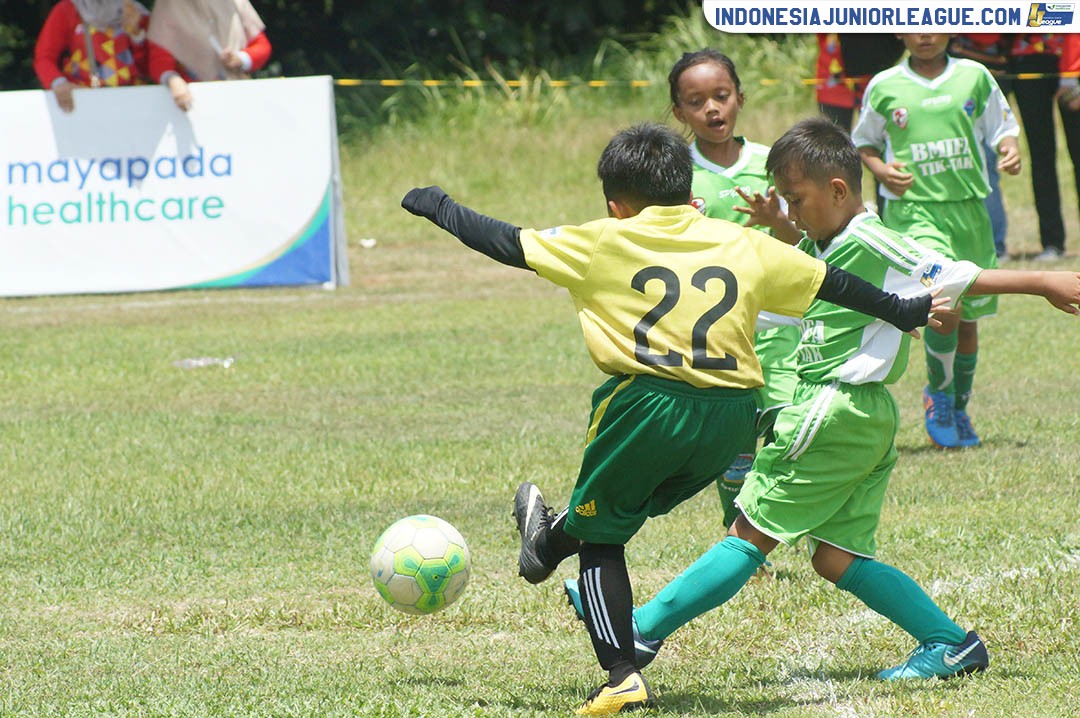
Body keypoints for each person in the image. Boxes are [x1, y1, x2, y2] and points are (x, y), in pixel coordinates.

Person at [400, 122, 937, 715]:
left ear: (617, 204)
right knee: (612, 505)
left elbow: (506, 240)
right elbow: (828, 281)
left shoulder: (607, 238)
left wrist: (439, 206)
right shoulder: (739, 241)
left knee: (603, 533)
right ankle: (545, 547)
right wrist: (901, 308)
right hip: (732, 419)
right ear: (689, 190)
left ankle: (621, 670)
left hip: (649, 407)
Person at [563, 118, 1080, 690]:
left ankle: (639, 630)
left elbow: (953, 275)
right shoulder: (821, 244)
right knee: (834, 557)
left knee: (749, 531)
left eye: (796, 199)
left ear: (837, 190)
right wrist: (773, 232)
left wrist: (1043, 281)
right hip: (864, 416)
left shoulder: (872, 239)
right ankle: (951, 645)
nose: (793, 210)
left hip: (832, 407)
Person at [852, 33, 1021, 449]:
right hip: (915, 212)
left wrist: (1009, 149)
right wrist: (881, 169)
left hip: (968, 210)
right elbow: (864, 143)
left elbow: (1003, 126)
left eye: (934, 19)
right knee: (948, 303)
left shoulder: (975, 76)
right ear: (898, 30)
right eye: (914, 21)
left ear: (950, 24)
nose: (924, 34)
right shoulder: (885, 84)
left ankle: (958, 406)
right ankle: (939, 396)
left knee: (968, 322)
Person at [669, 48, 802, 527]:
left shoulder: (774, 164)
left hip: (778, 326)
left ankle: (793, 525)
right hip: (717, 334)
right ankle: (742, 541)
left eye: (721, 96)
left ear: (740, 98)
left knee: (791, 428)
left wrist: (778, 221)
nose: (712, 109)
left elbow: (806, 238)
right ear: (678, 111)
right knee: (735, 449)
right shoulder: (673, 174)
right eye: (697, 100)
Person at [1007, 33, 1080, 261]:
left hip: (1073, 63)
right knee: (1041, 158)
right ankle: (1052, 243)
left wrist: (1072, 73)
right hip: (1026, 61)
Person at [950, 34, 1014, 259]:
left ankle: (995, 246)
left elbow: (989, 35)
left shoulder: (977, 74)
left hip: (980, 86)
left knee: (985, 169)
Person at [147, 0, 272, 111]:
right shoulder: (167, 5)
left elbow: (261, 45)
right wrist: (172, 80)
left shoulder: (236, 2)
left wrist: (242, 58)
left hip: (239, 97)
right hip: (192, 104)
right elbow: (159, 58)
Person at [34, 0, 150, 113]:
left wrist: (136, 33)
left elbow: (149, 67)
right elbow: (44, 58)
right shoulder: (67, 10)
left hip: (131, 104)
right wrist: (59, 83)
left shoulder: (136, 12)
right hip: (81, 104)